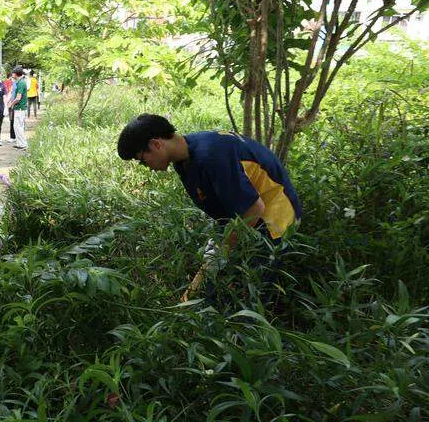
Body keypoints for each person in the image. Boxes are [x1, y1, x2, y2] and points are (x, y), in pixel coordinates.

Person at [116, 114, 302, 301]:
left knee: (249, 293)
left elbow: (253, 209)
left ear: (156, 144)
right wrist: (223, 237)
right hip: (245, 214)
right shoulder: (184, 160)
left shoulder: (212, 156)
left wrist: (224, 248)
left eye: (142, 160)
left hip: (274, 217)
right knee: (214, 283)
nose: (146, 166)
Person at [8, 66, 29, 149]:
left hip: (20, 108)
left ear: (16, 74)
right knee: (16, 126)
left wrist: (11, 104)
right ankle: (19, 143)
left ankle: (23, 144)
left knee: (19, 126)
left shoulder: (21, 83)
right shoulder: (19, 82)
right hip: (19, 108)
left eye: (13, 73)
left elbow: (18, 97)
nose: (12, 74)